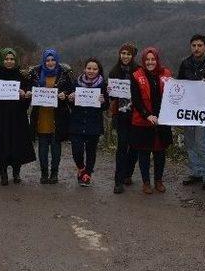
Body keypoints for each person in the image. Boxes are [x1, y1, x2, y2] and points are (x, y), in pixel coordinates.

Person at [0, 48, 36, 185]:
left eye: (12, 59)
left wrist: (25, 96)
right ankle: (3, 175)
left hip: (17, 118)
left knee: (17, 145)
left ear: (15, 61)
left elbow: (27, 100)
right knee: (1, 146)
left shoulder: (21, 78)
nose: (9, 61)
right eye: (6, 59)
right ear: (1, 60)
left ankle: (16, 174)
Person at [130, 47, 173, 194]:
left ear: (157, 60)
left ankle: (159, 181)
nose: (150, 62)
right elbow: (136, 100)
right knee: (144, 153)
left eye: (153, 59)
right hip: (143, 121)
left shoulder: (166, 74)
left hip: (162, 120)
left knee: (160, 152)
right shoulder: (136, 76)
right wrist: (147, 115)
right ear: (143, 61)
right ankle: (146, 182)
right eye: (147, 59)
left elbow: (174, 95)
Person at [27, 48, 73, 184]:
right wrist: (29, 93)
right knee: (42, 147)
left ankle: (54, 173)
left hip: (57, 117)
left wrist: (64, 94)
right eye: (47, 60)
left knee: (55, 147)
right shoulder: (35, 74)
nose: (50, 62)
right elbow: (29, 89)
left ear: (57, 60)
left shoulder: (63, 74)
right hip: (41, 116)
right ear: (44, 61)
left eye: (53, 60)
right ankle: (44, 174)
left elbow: (71, 91)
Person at [177, 34, 205, 189]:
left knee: (202, 144)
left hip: (204, 111)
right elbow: (179, 84)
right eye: (194, 45)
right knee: (190, 143)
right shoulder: (185, 63)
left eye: (200, 45)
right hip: (188, 110)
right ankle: (196, 172)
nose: (196, 48)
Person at [68, 58, 109, 187]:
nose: (91, 71)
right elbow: (70, 103)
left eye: (94, 69)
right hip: (77, 121)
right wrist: (71, 98)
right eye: (89, 68)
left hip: (93, 122)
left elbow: (106, 106)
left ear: (99, 70)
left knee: (91, 151)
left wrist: (103, 101)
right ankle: (81, 167)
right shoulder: (76, 83)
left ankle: (87, 174)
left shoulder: (103, 85)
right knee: (77, 150)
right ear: (85, 69)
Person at [109, 43, 140, 194]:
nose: (125, 56)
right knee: (122, 147)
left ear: (133, 56)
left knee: (135, 147)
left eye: (128, 54)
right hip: (121, 114)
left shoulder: (139, 71)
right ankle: (118, 181)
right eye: (123, 53)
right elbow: (112, 97)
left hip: (136, 115)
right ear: (119, 54)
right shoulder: (114, 72)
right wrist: (109, 92)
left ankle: (128, 173)